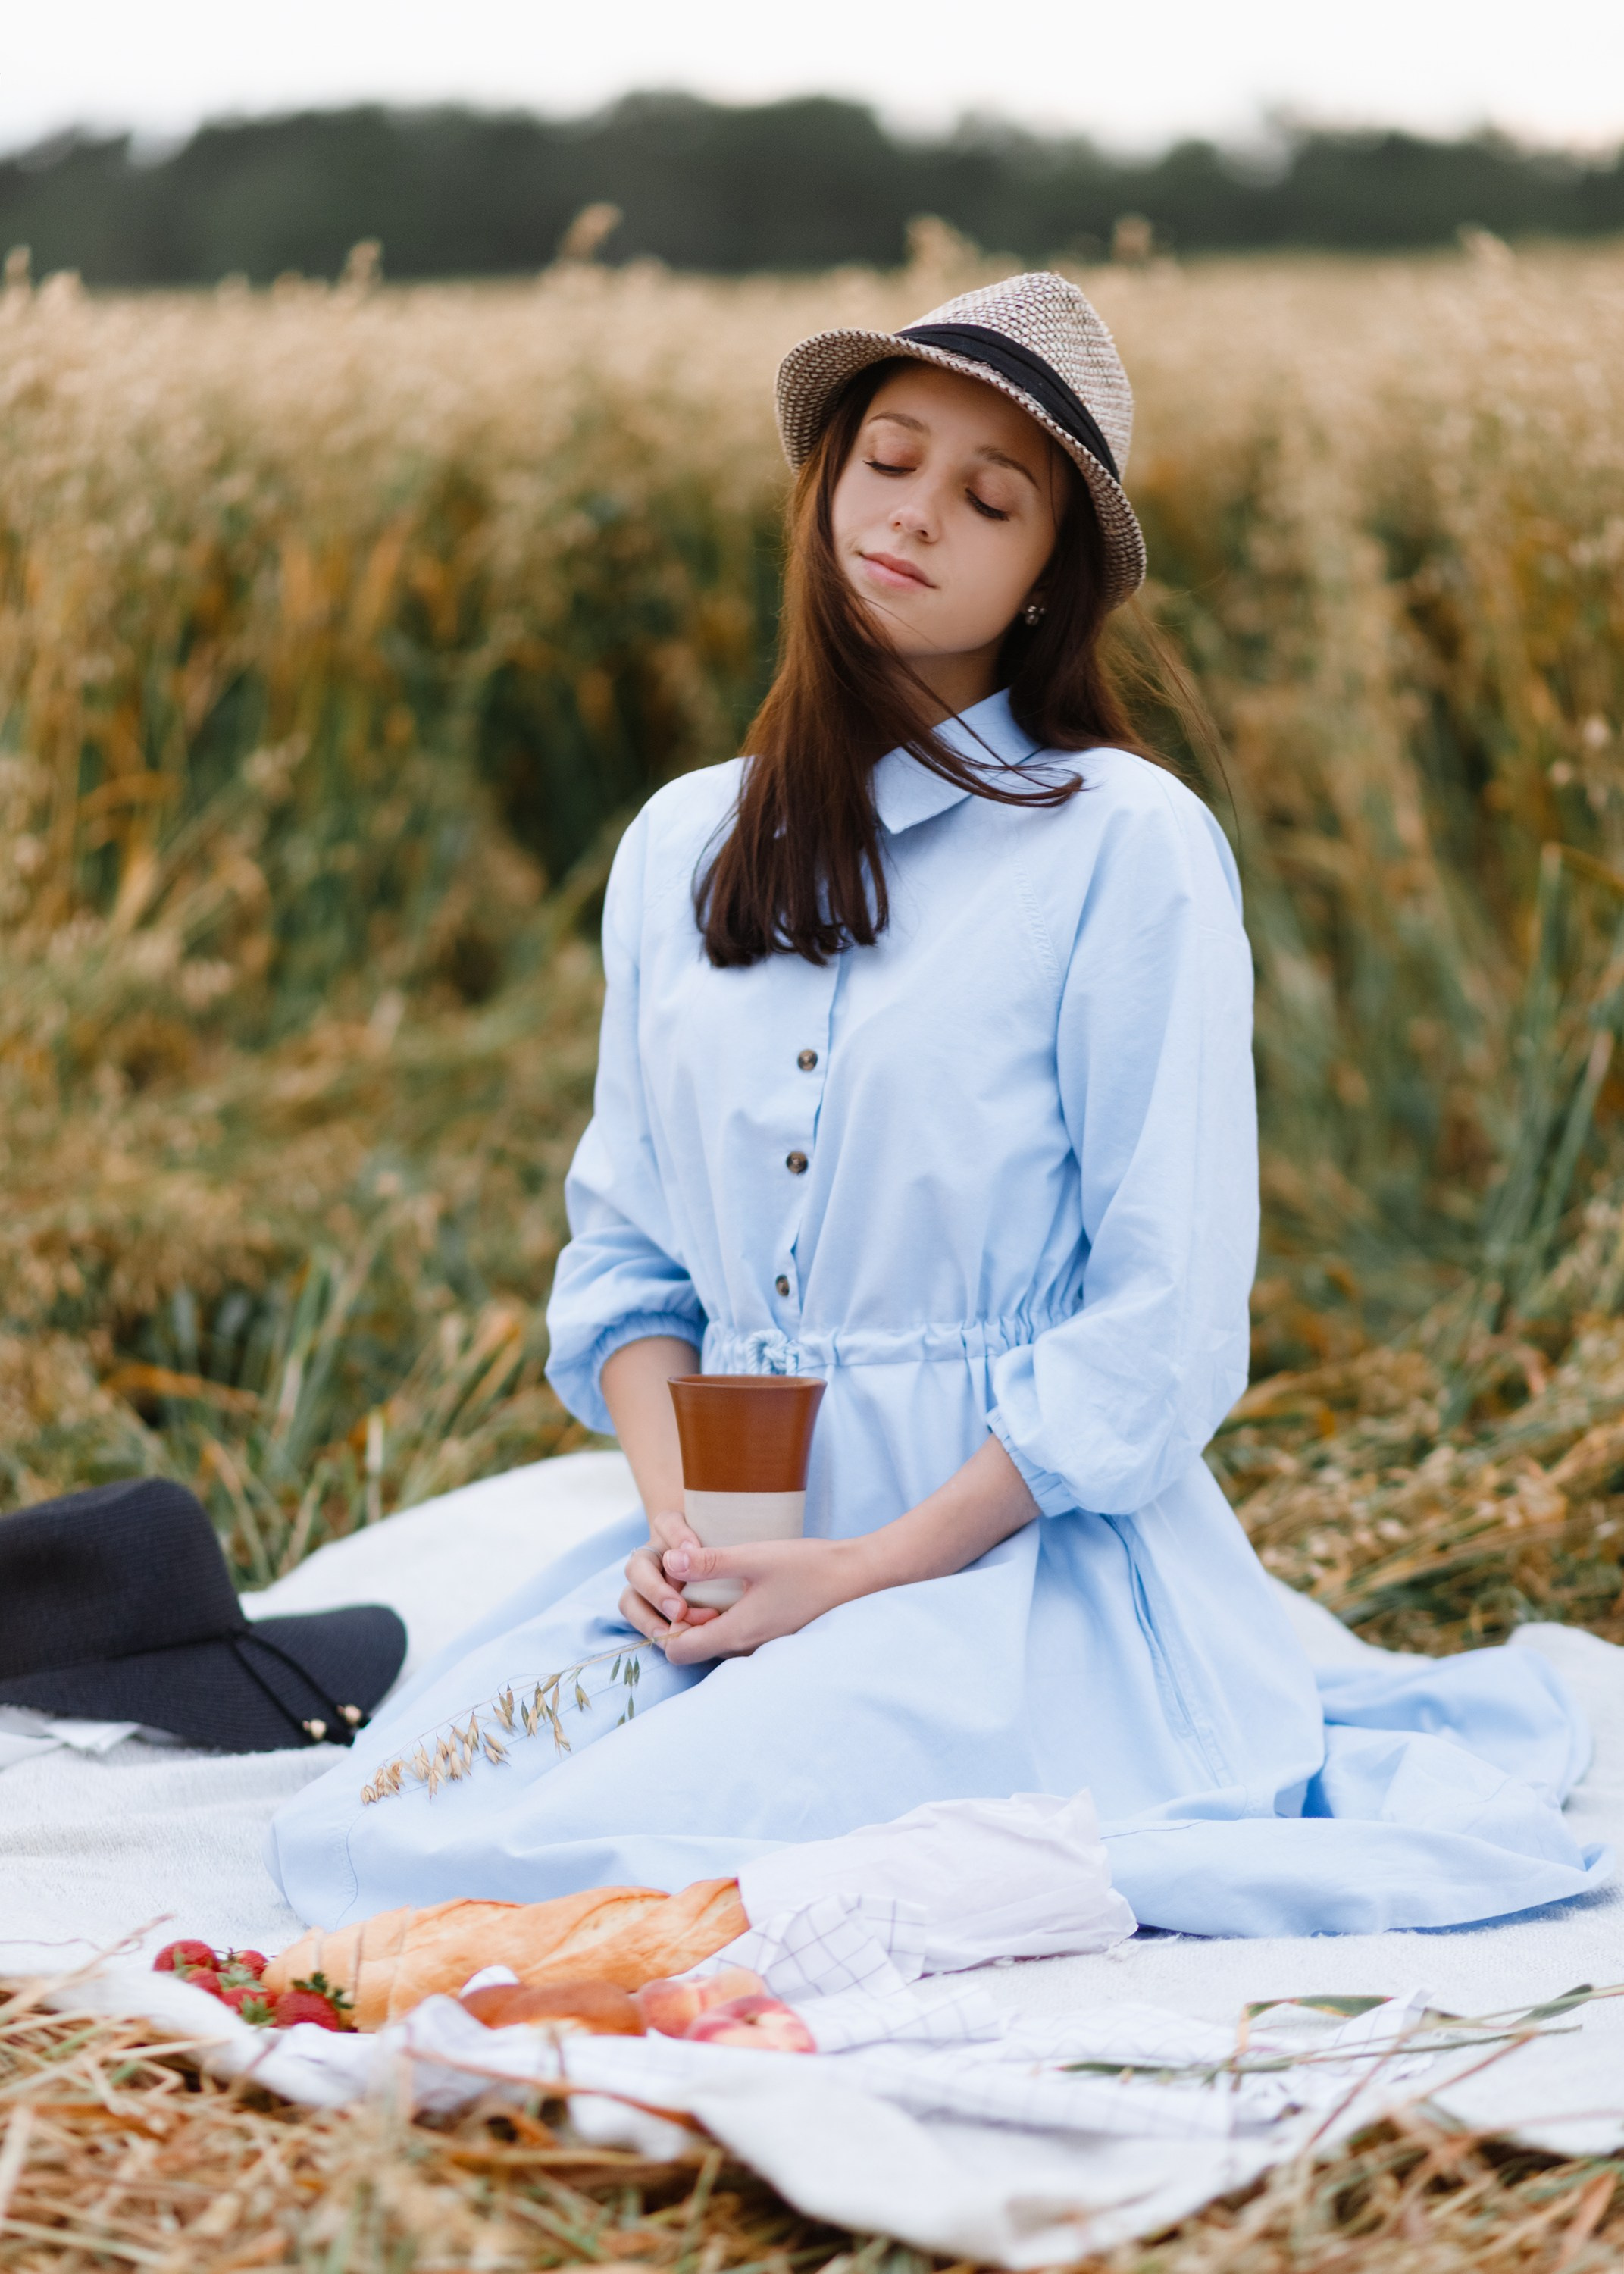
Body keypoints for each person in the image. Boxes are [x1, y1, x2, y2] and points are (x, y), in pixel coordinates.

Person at [268, 275, 1606, 1937]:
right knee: (394, 1831)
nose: (917, 516)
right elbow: (628, 1263)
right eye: (888, 460)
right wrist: (686, 1530)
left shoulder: (1121, 840)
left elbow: (1162, 1315)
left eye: (989, 499)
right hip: (733, 1540)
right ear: (825, 479)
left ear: (1048, 577)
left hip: (1007, 1562)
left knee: (653, 1873)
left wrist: (849, 1576)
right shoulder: (681, 843)